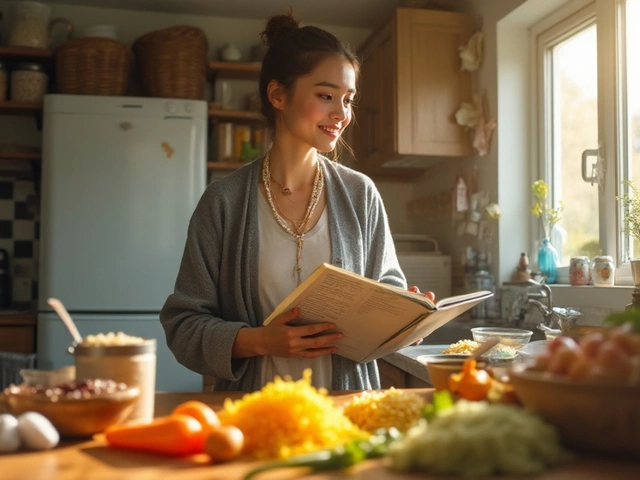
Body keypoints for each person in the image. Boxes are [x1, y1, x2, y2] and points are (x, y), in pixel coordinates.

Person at [160, 10, 433, 392]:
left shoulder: (361, 194)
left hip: (346, 413)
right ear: (277, 95)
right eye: (325, 96)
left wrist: (406, 318)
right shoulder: (223, 202)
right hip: (253, 416)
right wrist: (260, 340)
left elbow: (387, 289)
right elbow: (183, 325)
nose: (342, 114)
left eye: (348, 100)